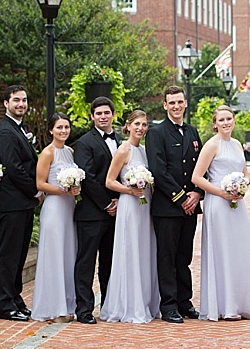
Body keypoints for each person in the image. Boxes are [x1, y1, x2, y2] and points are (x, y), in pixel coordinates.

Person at [191, 105, 250, 322]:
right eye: (221, 120)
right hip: (218, 202)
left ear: (234, 120)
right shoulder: (211, 145)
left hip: (236, 203)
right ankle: (225, 305)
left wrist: (241, 187)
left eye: (229, 119)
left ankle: (242, 302)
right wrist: (222, 192)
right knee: (222, 250)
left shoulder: (237, 144)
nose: (226, 123)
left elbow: (244, 172)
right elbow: (197, 177)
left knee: (239, 250)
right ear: (215, 124)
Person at [147, 85, 203, 324]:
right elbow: (158, 170)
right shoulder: (156, 133)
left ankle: (184, 301)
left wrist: (197, 193)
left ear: (185, 103)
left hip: (190, 205)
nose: (176, 106)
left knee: (184, 256)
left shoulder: (192, 131)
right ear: (165, 105)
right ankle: (168, 305)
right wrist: (181, 198)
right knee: (167, 258)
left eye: (180, 102)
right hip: (168, 207)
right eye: (172, 103)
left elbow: (201, 165)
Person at [100, 110, 161, 323]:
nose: (140, 128)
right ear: (128, 126)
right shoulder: (123, 149)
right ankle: (128, 304)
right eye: (137, 124)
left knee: (144, 250)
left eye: (144, 125)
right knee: (130, 249)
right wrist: (129, 190)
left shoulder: (143, 151)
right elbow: (109, 181)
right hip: (130, 205)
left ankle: (145, 301)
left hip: (145, 206)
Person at [0, 86, 39, 321]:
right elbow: (14, 168)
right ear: (6, 103)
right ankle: (5, 304)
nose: (21, 104)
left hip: (23, 203)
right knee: (8, 255)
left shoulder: (19, 129)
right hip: (11, 203)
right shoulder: (5, 132)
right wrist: (35, 190)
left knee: (19, 255)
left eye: (24, 100)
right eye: (16, 100)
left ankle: (16, 298)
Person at [73, 96, 121, 324]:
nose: (103, 117)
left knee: (110, 262)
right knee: (86, 262)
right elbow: (88, 177)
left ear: (113, 114)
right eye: (99, 113)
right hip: (92, 213)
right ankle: (84, 309)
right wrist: (107, 203)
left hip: (117, 213)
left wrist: (120, 201)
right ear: (92, 116)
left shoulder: (121, 141)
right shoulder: (84, 143)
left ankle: (109, 306)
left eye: (106, 113)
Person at [31, 113, 79, 323]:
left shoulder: (70, 152)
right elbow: (40, 184)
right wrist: (63, 190)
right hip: (54, 208)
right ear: (51, 130)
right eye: (59, 127)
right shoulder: (47, 153)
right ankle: (53, 308)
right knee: (54, 256)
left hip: (69, 208)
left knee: (68, 254)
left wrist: (75, 188)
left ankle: (68, 304)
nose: (63, 131)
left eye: (66, 127)